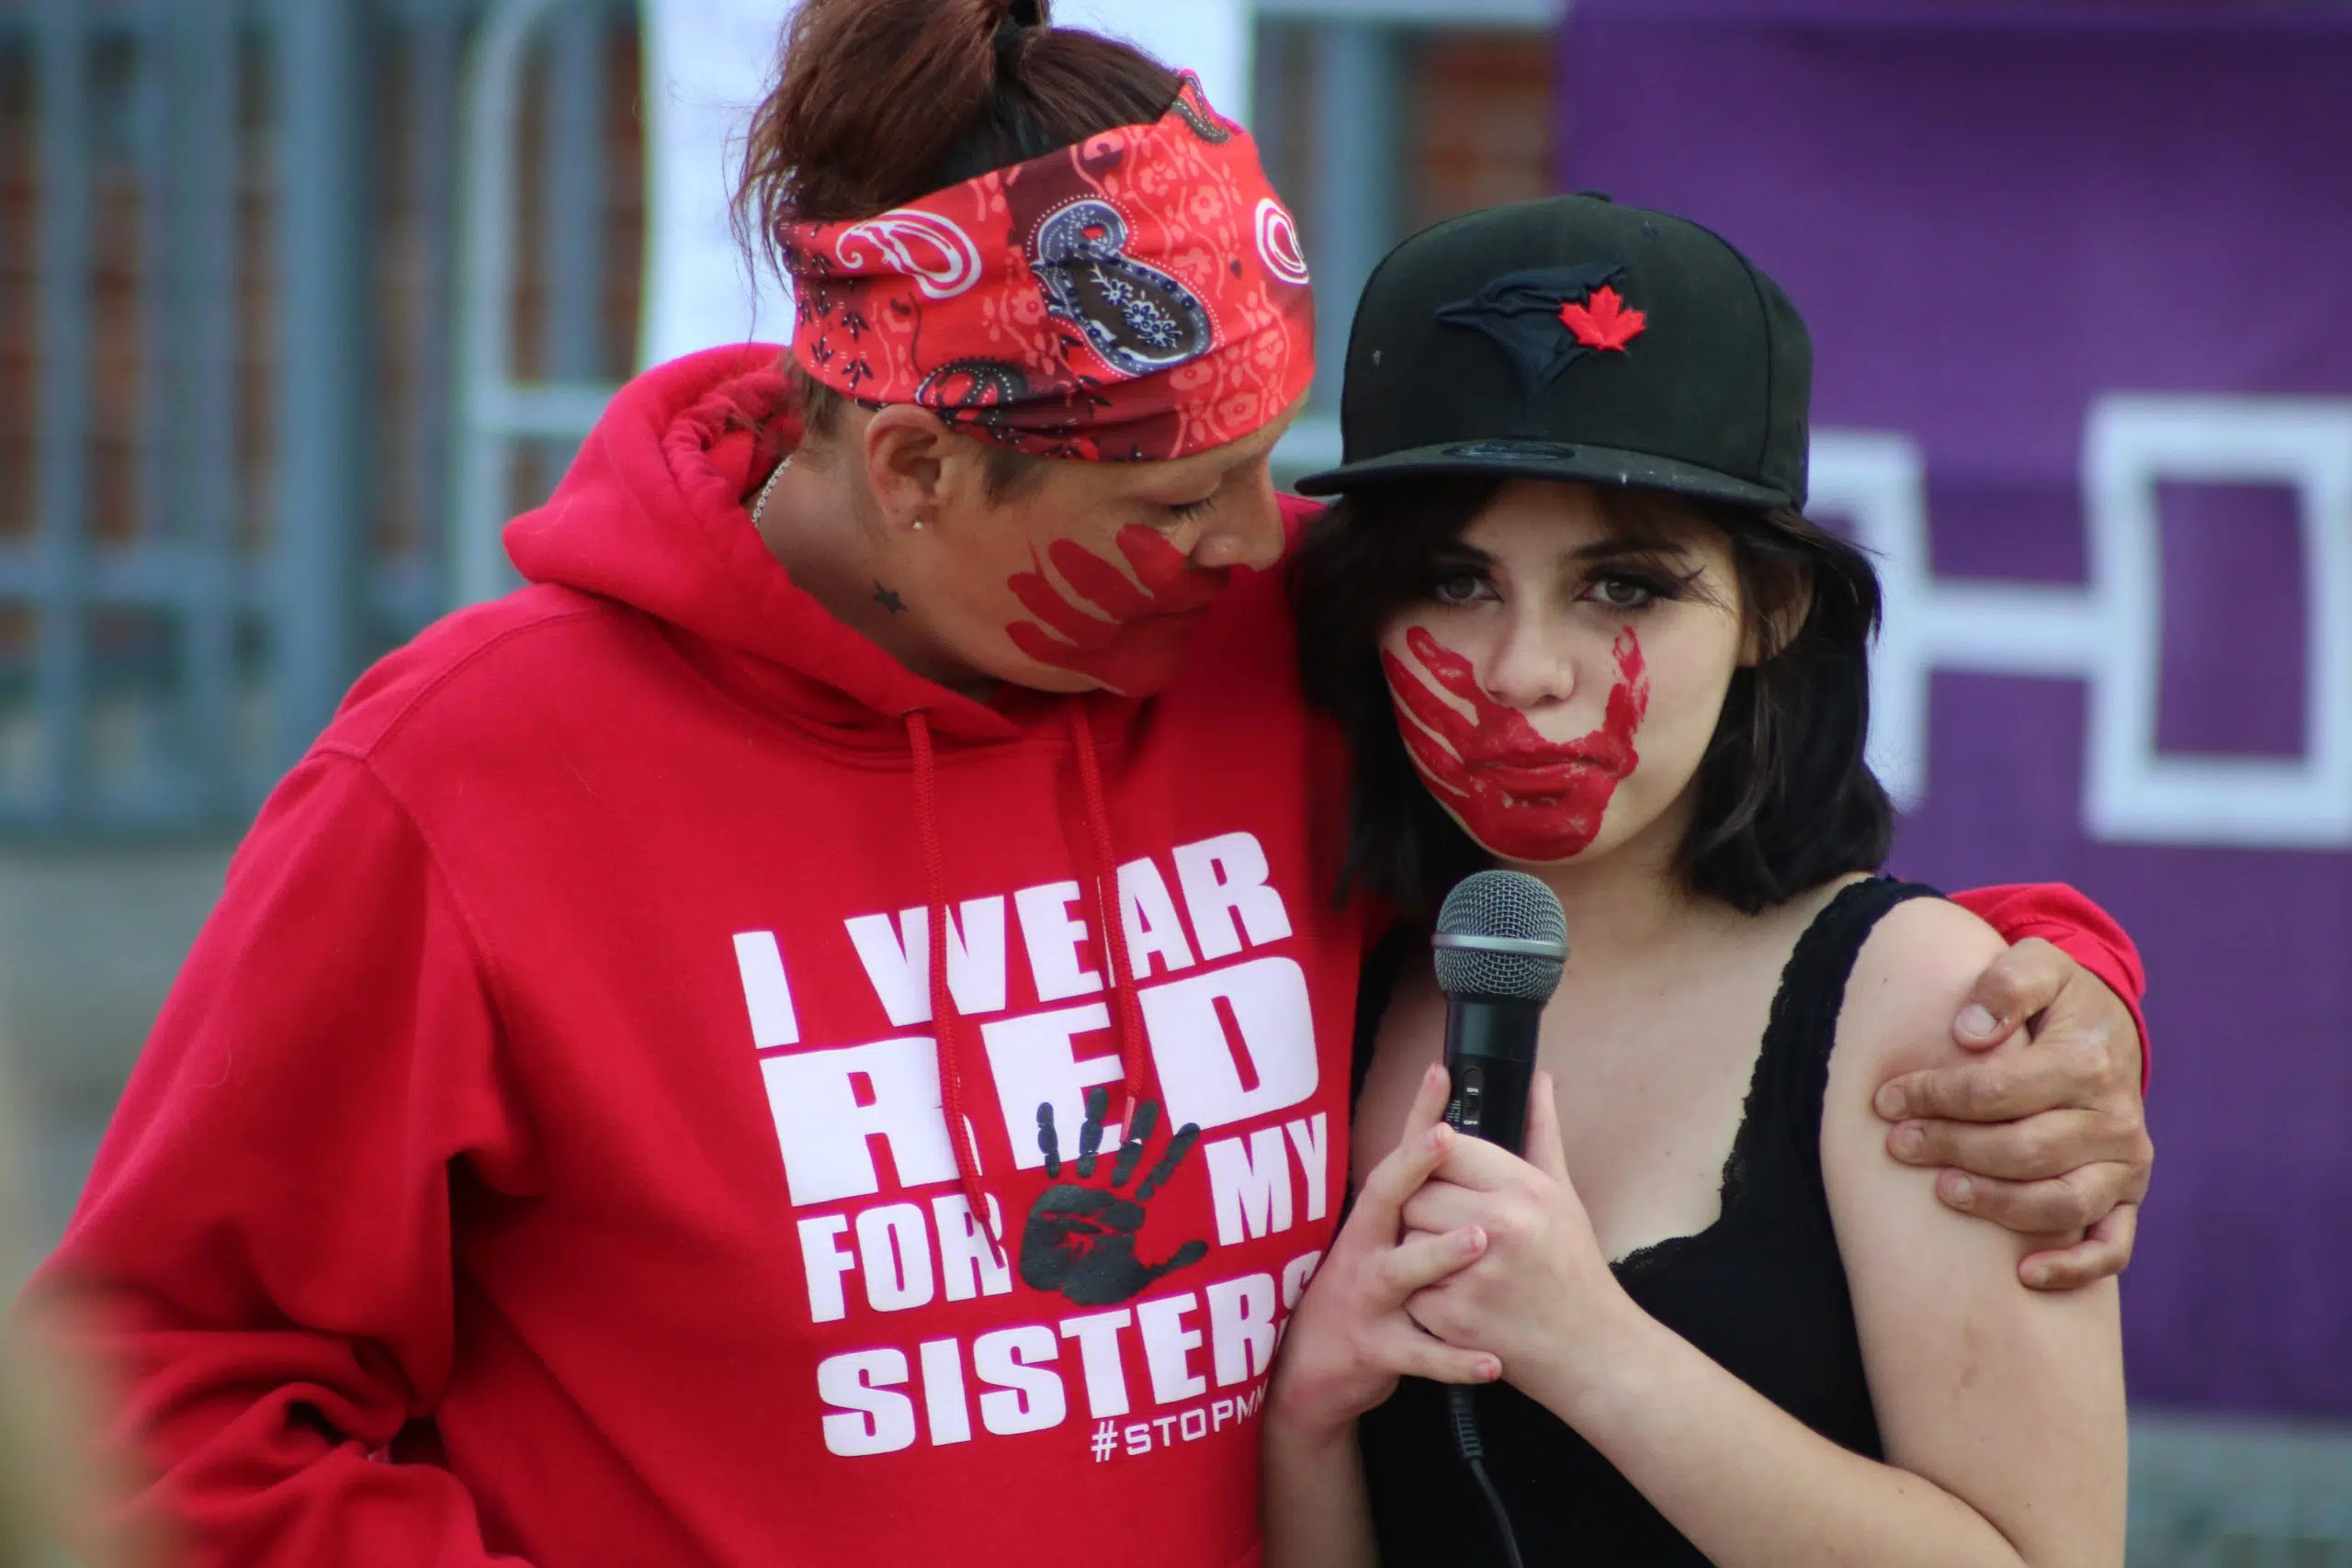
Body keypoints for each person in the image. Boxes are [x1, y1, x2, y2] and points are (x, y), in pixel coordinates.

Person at [24, 6, 2146, 1567]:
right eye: (1185, 493)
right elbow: (174, 1382)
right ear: (924, 466)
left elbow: (1651, 835)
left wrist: (2047, 985)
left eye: (1273, 470)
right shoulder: (459, 784)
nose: (1264, 546)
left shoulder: (1260, 641)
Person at [1265, 194, 2130, 1566]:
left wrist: (1587, 1344)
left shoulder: (1921, 1006)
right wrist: (1309, 1414)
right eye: (1453, 580)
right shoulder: (1319, 971)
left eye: (1624, 589)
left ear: (1771, 610)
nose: (1524, 671)